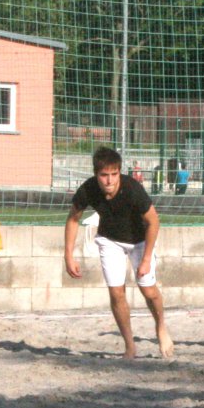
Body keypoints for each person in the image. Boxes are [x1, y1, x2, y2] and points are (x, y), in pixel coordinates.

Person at [64, 147, 174, 360]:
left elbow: (154, 221)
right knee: (116, 293)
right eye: (104, 175)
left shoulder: (132, 189)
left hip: (140, 242)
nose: (109, 180)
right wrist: (68, 255)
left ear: (119, 172)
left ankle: (161, 327)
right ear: (97, 174)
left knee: (148, 291)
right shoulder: (88, 189)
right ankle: (130, 346)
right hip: (109, 240)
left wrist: (145, 259)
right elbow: (73, 218)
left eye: (114, 174)